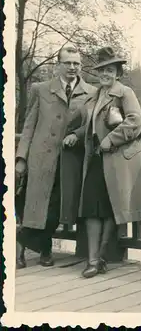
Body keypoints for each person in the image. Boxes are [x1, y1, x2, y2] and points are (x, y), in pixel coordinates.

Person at [63, 47, 141, 278]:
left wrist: (110, 140)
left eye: (110, 70)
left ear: (118, 73)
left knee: (108, 210)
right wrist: (77, 133)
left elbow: (136, 122)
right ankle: (93, 259)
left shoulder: (125, 93)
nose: (105, 74)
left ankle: (100, 259)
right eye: (102, 70)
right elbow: (95, 124)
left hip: (115, 160)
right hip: (96, 159)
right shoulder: (96, 95)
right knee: (92, 210)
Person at [15, 45, 97, 269]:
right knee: (35, 205)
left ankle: (35, 246)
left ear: (81, 65)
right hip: (41, 158)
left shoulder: (90, 92)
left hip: (70, 160)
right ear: (58, 64)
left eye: (76, 63)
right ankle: (35, 252)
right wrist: (21, 157)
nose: (72, 67)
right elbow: (29, 126)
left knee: (57, 207)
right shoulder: (41, 89)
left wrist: (75, 135)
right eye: (68, 63)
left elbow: (90, 125)